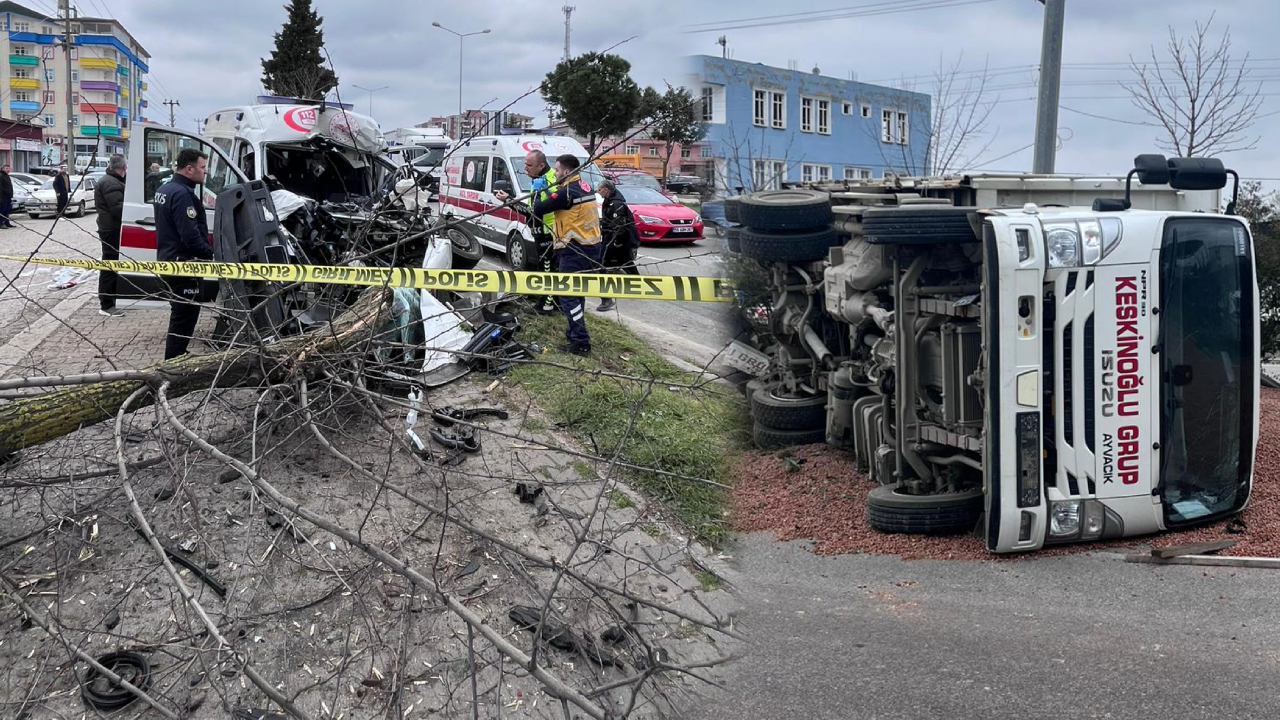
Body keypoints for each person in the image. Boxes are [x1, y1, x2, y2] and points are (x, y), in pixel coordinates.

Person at [530, 154, 603, 355]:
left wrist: (537, 191)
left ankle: (580, 341)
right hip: (590, 246)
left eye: (557, 170)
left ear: (567, 172)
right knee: (577, 294)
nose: (554, 174)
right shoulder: (584, 186)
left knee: (567, 295)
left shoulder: (566, 192)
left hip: (574, 248)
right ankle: (574, 337)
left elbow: (539, 209)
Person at [155, 148, 213, 359]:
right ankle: (173, 362)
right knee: (184, 318)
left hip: (169, 261)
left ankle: (177, 356)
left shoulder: (165, 189)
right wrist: (210, 253)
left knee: (180, 315)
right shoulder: (182, 194)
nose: (205, 172)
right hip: (184, 266)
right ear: (189, 169)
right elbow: (190, 236)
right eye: (202, 167)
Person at [595, 179, 640, 312]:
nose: (598, 192)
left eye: (599, 189)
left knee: (601, 264)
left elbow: (620, 226)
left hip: (615, 239)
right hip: (614, 238)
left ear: (606, 190)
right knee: (625, 261)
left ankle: (606, 299)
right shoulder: (610, 200)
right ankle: (639, 284)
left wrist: (617, 243)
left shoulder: (616, 204)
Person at [94, 154, 127, 317]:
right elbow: (118, 209)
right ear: (123, 166)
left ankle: (111, 299)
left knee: (112, 264)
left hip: (109, 228)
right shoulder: (110, 183)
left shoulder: (112, 180)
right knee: (110, 265)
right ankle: (106, 304)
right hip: (111, 229)